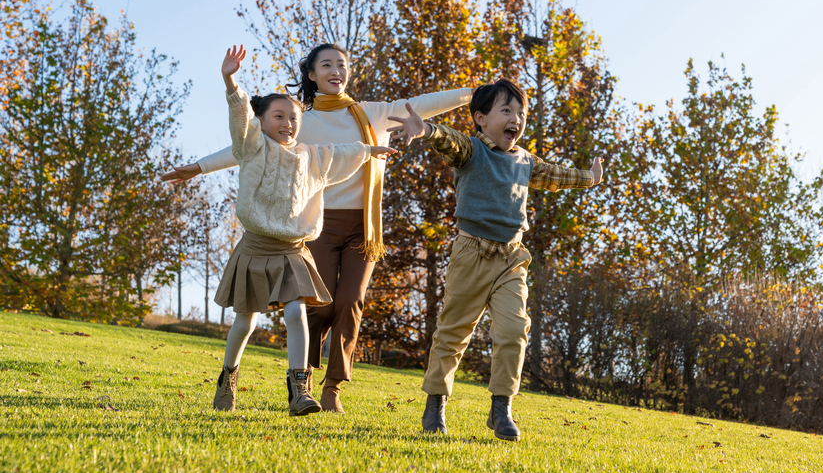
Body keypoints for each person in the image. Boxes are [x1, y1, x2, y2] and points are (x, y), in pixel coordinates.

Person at [163, 43, 472, 412]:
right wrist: (198, 166)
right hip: (305, 228)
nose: (335, 70)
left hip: (353, 228)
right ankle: (264, 377)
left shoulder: (374, 115)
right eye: (326, 64)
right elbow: (246, 145)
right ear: (311, 74)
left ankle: (322, 390)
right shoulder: (298, 118)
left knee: (345, 302)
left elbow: (417, 106)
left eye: (342, 63)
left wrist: (475, 93)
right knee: (299, 312)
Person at [387, 78, 604, 441]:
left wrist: (590, 178)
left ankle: (501, 408)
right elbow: (448, 139)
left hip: (511, 258)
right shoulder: (472, 151)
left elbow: (557, 175)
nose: (515, 118)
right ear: (481, 119)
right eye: (506, 110)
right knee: (454, 332)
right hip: (471, 253)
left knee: (514, 330)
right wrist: (424, 129)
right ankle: (435, 405)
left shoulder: (525, 161)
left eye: (520, 112)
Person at [204, 44, 395, 416]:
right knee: (245, 322)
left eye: (293, 118)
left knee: (295, 313)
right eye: (278, 117)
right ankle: (228, 377)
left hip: (292, 249)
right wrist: (230, 79)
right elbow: (240, 113)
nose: (288, 124)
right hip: (256, 247)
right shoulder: (251, 146)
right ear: (261, 122)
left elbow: (338, 153)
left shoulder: (307, 155)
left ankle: (300, 391)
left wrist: (367, 151)